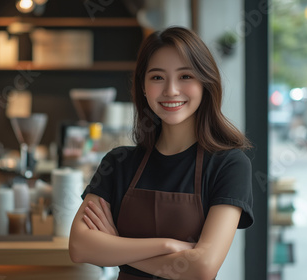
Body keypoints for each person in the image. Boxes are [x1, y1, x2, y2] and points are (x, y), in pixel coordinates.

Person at [69, 26, 254, 280]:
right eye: (157, 77)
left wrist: (117, 247)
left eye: (185, 76)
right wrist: (167, 246)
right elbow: (80, 247)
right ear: (143, 87)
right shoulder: (119, 162)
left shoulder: (229, 165)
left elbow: (202, 268)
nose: (171, 90)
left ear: (205, 83)